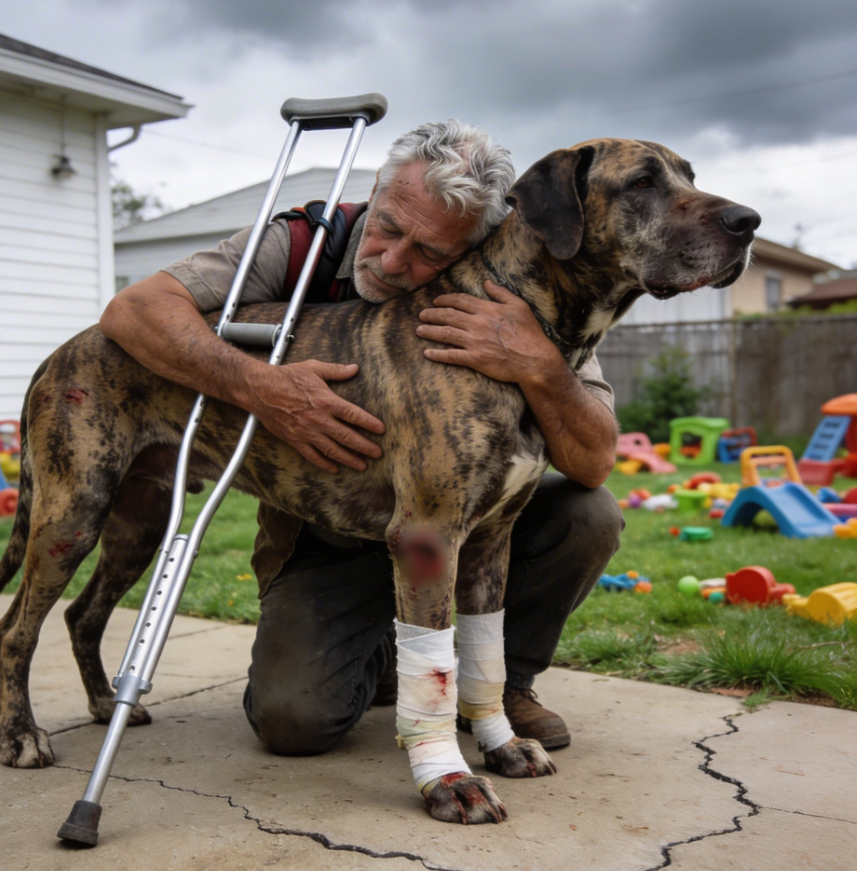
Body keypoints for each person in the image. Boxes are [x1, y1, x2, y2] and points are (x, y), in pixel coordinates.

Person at [100, 121, 623, 757]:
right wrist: (261, 388)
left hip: (462, 518)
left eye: (430, 253)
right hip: (330, 533)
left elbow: (594, 461)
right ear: (375, 189)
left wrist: (539, 362)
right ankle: (381, 649)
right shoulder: (299, 241)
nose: (396, 262)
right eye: (389, 227)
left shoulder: (507, 288)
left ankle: (498, 687)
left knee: (587, 512)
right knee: (294, 721)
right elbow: (133, 311)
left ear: (475, 245)